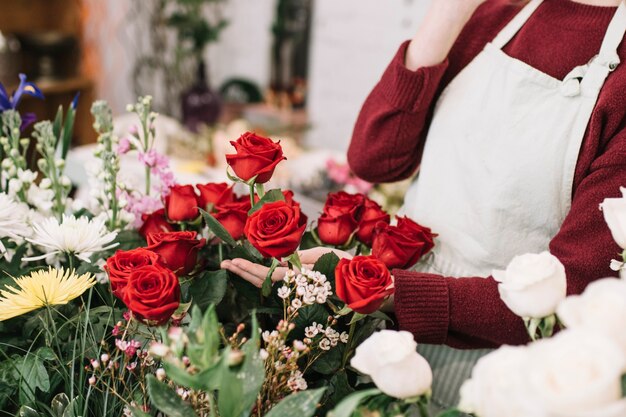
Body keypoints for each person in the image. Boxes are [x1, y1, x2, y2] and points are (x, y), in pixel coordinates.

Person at [222, 0, 626, 411]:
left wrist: (392, 292)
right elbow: (375, 159)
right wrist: (449, 14)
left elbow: (570, 290)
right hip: (385, 335)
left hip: (501, 369)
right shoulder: (496, 14)